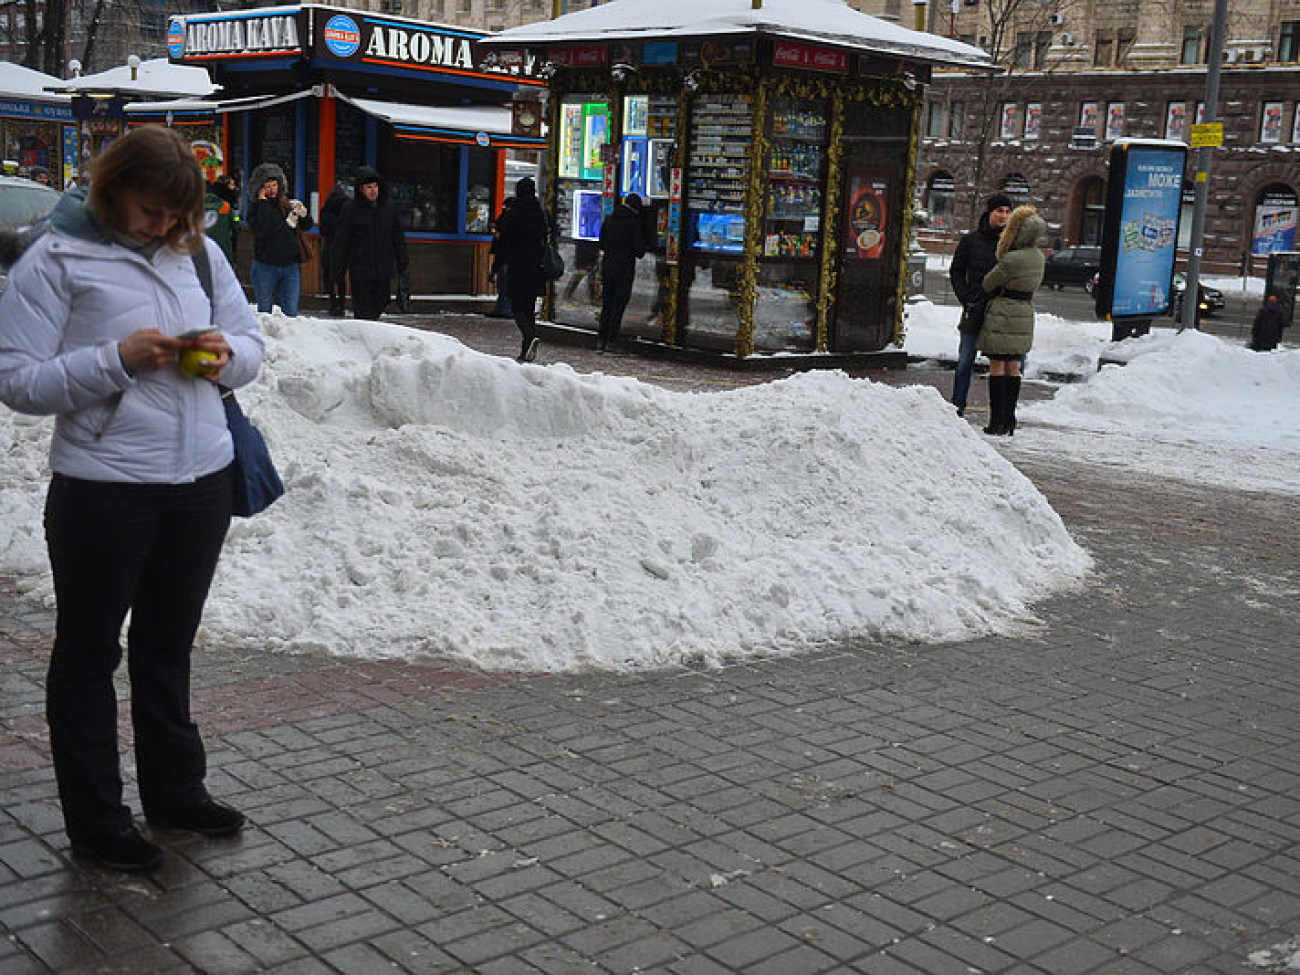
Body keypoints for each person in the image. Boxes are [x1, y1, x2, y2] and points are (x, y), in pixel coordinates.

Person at [0, 125, 264, 872]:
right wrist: (115, 360)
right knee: (87, 655)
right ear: (110, 190)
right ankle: (98, 821)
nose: (164, 229)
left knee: (166, 646)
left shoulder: (199, 253)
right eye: (152, 211)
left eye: (177, 216)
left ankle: (176, 791)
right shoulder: (54, 258)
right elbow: (15, 377)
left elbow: (250, 344)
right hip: (103, 489)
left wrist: (222, 360)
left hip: (200, 483)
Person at [978, 203, 1046, 436]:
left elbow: (988, 283)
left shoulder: (1012, 259)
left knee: (997, 365)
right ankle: (1010, 419)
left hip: (1003, 314)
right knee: (1013, 366)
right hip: (1024, 314)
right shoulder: (1039, 257)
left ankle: (996, 421)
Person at [948, 193, 1012, 417]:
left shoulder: (1012, 243)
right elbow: (956, 271)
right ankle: (957, 408)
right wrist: (965, 297)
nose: (1004, 216)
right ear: (990, 212)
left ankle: (1000, 414)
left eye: (1007, 211)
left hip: (1001, 312)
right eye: (999, 211)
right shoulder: (971, 240)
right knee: (965, 362)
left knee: (1003, 365)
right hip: (975, 310)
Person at [333, 167, 409, 322]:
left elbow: (398, 236)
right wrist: (337, 269)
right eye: (369, 187)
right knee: (363, 312)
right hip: (361, 270)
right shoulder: (350, 209)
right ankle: (364, 340)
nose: (373, 191)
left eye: (375, 186)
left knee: (382, 301)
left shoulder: (389, 208)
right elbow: (341, 241)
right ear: (361, 189)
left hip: (383, 269)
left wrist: (402, 261)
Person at [494, 176, 549, 363]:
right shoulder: (540, 213)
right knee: (528, 306)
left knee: (516, 305)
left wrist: (495, 268)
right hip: (535, 267)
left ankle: (529, 335)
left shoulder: (513, 214)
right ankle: (526, 349)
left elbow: (503, 244)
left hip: (517, 265)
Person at [248, 161, 312, 316]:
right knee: (265, 312)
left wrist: (302, 214)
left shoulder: (286, 204)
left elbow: (306, 225)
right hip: (265, 266)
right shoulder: (255, 207)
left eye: (274, 185)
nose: (271, 190)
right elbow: (263, 228)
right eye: (267, 186)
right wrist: (263, 203)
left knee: (291, 311)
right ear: (260, 188)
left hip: (290, 266)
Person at [597, 193, 647, 353]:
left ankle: (601, 339)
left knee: (607, 304)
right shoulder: (634, 223)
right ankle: (612, 341)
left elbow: (602, 244)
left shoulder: (610, 219)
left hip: (608, 266)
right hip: (624, 269)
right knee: (618, 305)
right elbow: (639, 251)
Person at [318, 182, 350, 316]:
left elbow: (323, 230)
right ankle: (342, 304)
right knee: (340, 276)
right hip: (343, 246)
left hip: (329, 245)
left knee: (329, 276)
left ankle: (333, 302)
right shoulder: (348, 208)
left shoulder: (326, 209)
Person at [486, 197, 514, 320]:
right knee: (507, 285)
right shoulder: (517, 218)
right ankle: (506, 309)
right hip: (513, 258)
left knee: (504, 285)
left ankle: (504, 309)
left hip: (505, 257)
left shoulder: (507, 218)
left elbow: (501, 241)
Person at [203, 182, 236, 266]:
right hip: (223, 248)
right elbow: (236, 223)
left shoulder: (194, 207)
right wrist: (237, 216)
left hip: (201, 248)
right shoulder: (226, 206)